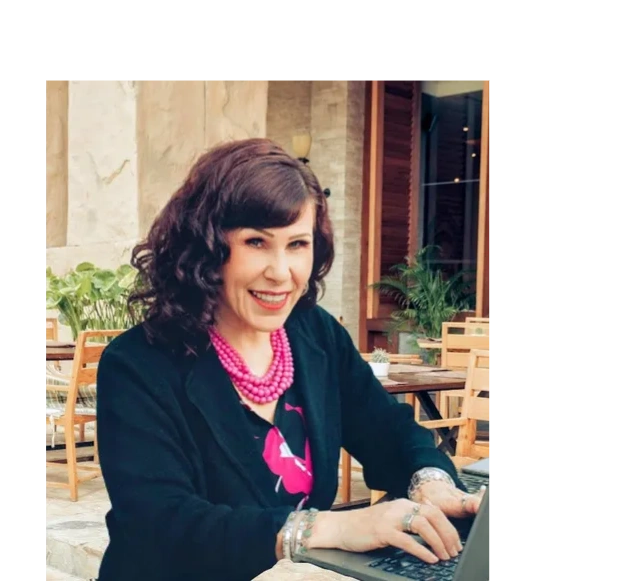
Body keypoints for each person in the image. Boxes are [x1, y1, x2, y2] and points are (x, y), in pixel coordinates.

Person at [96, 138, 484, 581]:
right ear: (207, 249)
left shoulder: (315, 334)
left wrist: (430, 482)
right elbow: (161, 524)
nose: (281, 272)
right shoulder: (137, 365)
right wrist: (330, 528)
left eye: (297, 244)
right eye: (256, 242)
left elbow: (388, 429)